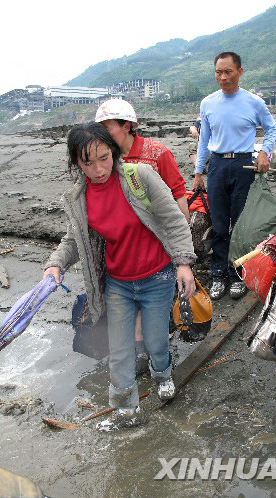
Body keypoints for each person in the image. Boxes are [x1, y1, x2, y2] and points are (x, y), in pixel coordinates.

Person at [43, 122, 196, 431]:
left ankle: (163, 373)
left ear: (112, 151)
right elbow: (74, 240)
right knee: (121, 348)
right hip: (118, 283)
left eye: (103, 157)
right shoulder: (79, 198)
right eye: (88, 162)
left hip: (157, 277)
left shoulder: (139, 177)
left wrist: (183, 263)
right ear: (76, 163)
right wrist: (55, 264)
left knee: (155, 341)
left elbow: (174, 220)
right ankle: (125, 407)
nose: (98, 168)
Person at [95, 99, 190, 374]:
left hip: (156, 245)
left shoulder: (156, 153)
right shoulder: (106, 160)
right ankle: (142, 352)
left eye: (107, 127)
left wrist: (180, 246)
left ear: (127, 126)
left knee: (153, 302)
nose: (102, 135)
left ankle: (157, 355)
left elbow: (177, 194)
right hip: (124, 246)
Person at [193, 51, 276, 300]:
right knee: (219, 225)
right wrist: (199, 171)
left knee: (240, 225)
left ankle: (238, 273)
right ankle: (219, 273)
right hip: (217, 166)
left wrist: (265, 152)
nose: (223, 77)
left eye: (228, 72)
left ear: (240, 72)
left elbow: (272, 128)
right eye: (218, 72)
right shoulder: (208, 103)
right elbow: (204, 140)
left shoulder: (253, 102)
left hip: (244, 166)